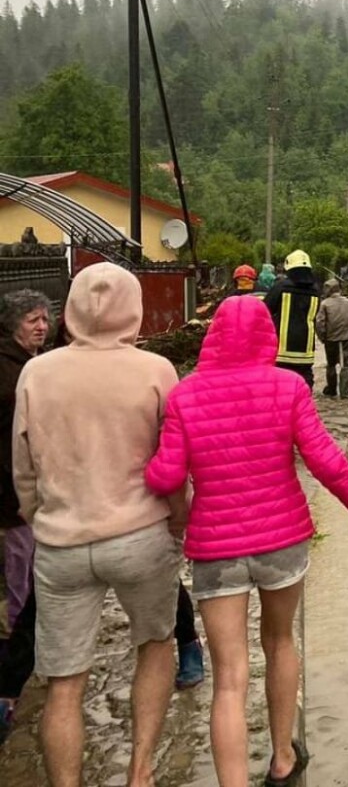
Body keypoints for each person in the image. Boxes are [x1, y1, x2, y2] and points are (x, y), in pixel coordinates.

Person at [145, 294, 348, 787]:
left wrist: (153, 472)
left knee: (229, 676)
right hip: (282, 543)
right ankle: (282, 759)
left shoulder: (185, 394)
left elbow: (166, 475)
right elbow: (326, 462)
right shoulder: (287, 387)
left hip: (215, 549)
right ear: (268, 337)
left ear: (212, 336)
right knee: (280, 642)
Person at [12, 264, 184, 787]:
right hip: (141, 536)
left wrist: (36, 515)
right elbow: (173, 461)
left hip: (61, 543)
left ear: (70, 309)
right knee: (155, 646)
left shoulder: (36, 372)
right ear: (132, 308)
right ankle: (140, 771)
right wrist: (180, 521)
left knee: (64, 682)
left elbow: (22, 466)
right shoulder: (156, 370)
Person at [0, 290, 49, 744]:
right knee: (22, 581)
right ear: (14, 324)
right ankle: (16, 665)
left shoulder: (30, 366)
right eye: (33, 320)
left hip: (23, 494)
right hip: (12, 498)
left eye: (45, 319)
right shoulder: (10, 373)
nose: (41, 327)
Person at [263, 250, 322, 388]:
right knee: (304, 384)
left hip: (282, 351)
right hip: (306, 351)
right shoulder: (316, 290)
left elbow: (264, 311)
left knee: (281, 386)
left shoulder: (281, 287)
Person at [314, 279, 348, 398]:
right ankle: (345, 392)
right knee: (346, 365)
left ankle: (331, 390)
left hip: (331, 339)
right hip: (347, 338)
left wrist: (322, 337)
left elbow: (319, 323)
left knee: (331, 364)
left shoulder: (325, 304)